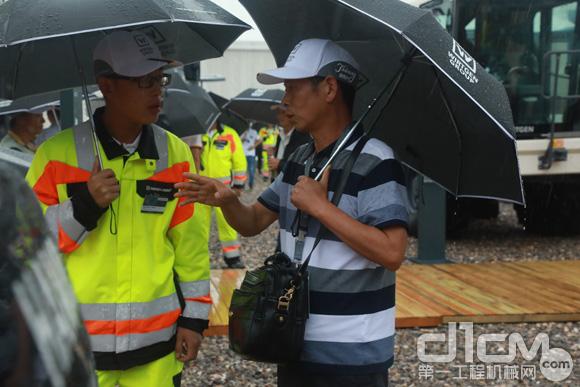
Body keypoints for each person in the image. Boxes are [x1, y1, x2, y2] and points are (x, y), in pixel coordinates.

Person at [175, 38, 409, 387]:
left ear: (329, 88)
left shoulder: (376, 160)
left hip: (352, 355)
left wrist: (321, 208)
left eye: (293, 88)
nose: (284, 100)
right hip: (291, 341)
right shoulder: (299, 159)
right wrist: (227, 201)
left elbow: (393, 251)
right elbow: (254, 222)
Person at [26, 31, 211, 387]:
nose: (158, 91)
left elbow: (191, 246)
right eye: (145, 81)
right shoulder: (54, 156)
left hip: (156, 353)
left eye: (161, 79)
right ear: (106, 86)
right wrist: (82, 208)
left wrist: (194, 319)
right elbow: (28, 246)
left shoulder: (175, 155)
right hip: (76, 350)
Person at [199, 120, 247, 268]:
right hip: (200, 188)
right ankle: (199, 258)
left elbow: (239, 160)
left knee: (227, 222)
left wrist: (238, 184)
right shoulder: (196, 135)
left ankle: (232, 258)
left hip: (223, 189)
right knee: (199, 225)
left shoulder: (229, 134)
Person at [268, 104, 310, 175]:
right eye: (278, 113)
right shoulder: (279, 136)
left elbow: (302, 167)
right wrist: (273, 154)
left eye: (283, 112)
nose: (280, 116)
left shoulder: (302, 137)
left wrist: (279, 164)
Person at [240, 123, 262, 190]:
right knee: (242, 170)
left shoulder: (254, 132)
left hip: (251, 154)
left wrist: (254, 146)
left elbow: (260, 139)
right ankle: (242, 184)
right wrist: (244, 135)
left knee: (251, 170)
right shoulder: (241, 131)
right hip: (242, 154)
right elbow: (239, 141)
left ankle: (251, 184)